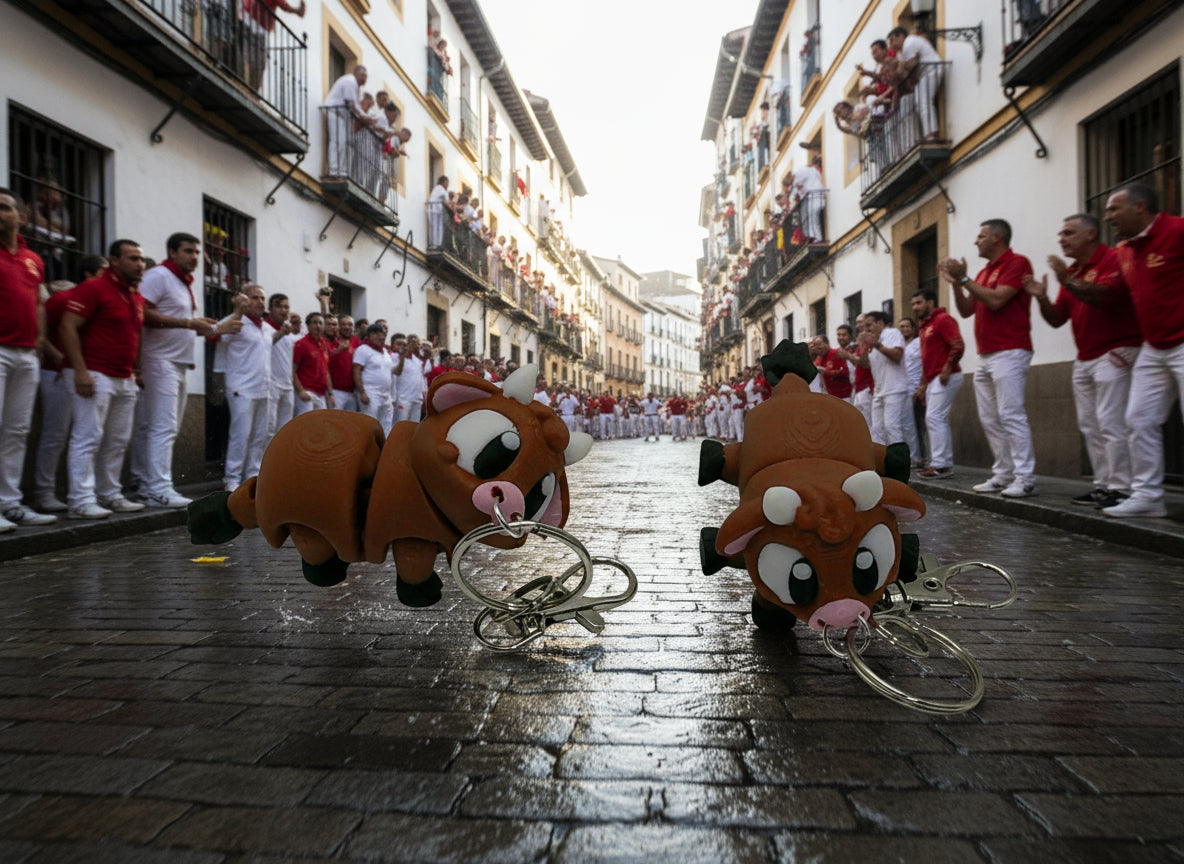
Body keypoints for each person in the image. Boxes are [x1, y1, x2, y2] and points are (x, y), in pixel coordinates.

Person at [1024, 213, 1142, 509]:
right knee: (1090, 424)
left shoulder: (1112, 259)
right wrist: (1041, 298)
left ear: (1090, 235)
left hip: (1115, 350)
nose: (1061, 239)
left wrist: (1067, 280)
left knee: (1112, 422)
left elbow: (1107, 297)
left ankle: (1122, 487)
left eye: (1069, 233)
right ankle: (1104, 484)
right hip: (1085, 356)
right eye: (1061, 234)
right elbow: (1057, 319)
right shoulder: (1073, 271)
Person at [1100, 183, 1184, 518]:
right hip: (1153, 346)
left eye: (1114, 209)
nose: (1108, 217)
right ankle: (1148, 495)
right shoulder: (1124, 250)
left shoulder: (1178, 231)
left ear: (1139, 207)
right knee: (1138, 419)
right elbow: (1116, 297)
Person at [940, 218, 1036, 497]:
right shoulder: (983, 273)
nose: (976, 241)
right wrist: (957, 285)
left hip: (1011, 350)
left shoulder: (1017, 263)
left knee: (1011, 414)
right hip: (986, 354)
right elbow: (968, 309)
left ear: (997, 238)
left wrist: (964, 279)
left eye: (981, 236)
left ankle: (1025, 478)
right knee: (990, 418)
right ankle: (1003, 474)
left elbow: (996, 300)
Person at [58, 240, 148, 519]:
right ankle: (80, 500)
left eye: (141, 259)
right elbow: (67, 326)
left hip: (123, 376)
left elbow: (136, 334)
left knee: (118, 439)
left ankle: (109, 494)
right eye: (132, 258)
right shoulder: (93, 288)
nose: (140, 264)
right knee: (88, 436)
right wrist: (80, 370)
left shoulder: (136, 296)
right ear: (114, 261)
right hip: (94, 372)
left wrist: (136, 369)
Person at [130, 232, 218, 509]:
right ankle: (159, 487)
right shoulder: (159, 276)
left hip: (176, 362)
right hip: (159, 361)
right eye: (188, 251)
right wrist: (188, 324)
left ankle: (147, 484)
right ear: (172, 252)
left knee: (159, 427)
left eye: (196, 252)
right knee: (162, 427)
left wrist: (195, 323)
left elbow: (175, 318)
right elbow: (143, 313)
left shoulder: (181, 282)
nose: (194, 257)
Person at [0, 188, 56, 529]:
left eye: (5, 207)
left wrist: (38, 339)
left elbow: (38, 302)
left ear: (21, 216)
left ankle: (10, 503)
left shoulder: (33, 259)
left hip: (25, 353)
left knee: (17, 431)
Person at [218, 285, 271, 492]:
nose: (260, 302)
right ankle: (231, 478)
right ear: (243, 300)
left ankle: (252, 475)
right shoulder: (236, 321)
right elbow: (219, 334)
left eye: (262, 298)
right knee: (240, 435)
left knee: (259, 436)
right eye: (255, 298)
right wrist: (237, 312)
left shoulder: (266, 328)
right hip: (242, 389)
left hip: (264, 388)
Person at [911, 289, 964, 480]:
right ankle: (942, 463)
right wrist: (923, 384)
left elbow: (957, 344)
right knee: (936, 418)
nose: (915, 307)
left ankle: (941, 465)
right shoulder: (924, 326)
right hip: (933, 378)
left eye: (918, 302)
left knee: (934, 417)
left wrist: (947, 369)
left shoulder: (943, 319)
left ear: (930, 302)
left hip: (946, 376)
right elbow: (927, 359)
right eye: (913, 304)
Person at [887, 26, 943, 144]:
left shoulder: (909, 42)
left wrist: (903, 65)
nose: (892, 44)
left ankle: (931, 133)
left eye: (893, 40)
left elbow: (910, 65)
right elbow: (904, 71)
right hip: (924, 75)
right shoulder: (901, 52)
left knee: (924, 102)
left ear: (901, 36)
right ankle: (929, 132)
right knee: (920, 103)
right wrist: (903, 66)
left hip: (931, 70)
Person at [860, 311, 909, 446]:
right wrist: (863, 349)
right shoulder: (872, 342)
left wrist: (876, 345)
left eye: (869, 325)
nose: (866, 330)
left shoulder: (892, 333)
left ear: (880, 323)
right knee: (877, 429)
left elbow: (897, 355)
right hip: (879, 390)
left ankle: (899, 464)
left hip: (895, 388)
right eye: (864, 327)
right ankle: (882, 462)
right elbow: (864, 364)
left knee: (891, 427)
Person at [324, 65, 373, 176]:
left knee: (342, 143)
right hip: (334, 111)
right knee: (336, 142)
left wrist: (364, 116)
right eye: (362, 75)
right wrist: (363, 116)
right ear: (355, 74)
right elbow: (351, 103)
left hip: (341, 116)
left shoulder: (355, 86)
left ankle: (340, 170)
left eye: (366, 76)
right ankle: (333, 169)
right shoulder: (350, 82)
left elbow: (355, 105)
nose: (364, 79)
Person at [264, 293, 299, 438]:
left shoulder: (289, 333)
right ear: (270, 309)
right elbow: (266, 344)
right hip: (271, 385)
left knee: (284, 431)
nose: (283, 310)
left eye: (286, 307)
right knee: (269, 429)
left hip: (287, 386)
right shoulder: (265, 327)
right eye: (279, 306)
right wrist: (280, 333)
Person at [352, 323, 395, 433]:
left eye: (382, 334)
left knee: (386, 423)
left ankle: (384, 448)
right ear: (369, 336)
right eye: (376, 334)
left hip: (386, 395)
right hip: (371, 393)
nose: (380, 337)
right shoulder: (363, 350)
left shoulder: (385, 352)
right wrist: (362, 392)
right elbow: (356, 370)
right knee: (370, 424)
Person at [898, 316, 926, 467]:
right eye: (901, 327)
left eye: (907, 326)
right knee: (906, 424)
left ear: (913, 329)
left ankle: (918, 457)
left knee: (917, 424)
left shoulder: (918, 343)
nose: (905, 329)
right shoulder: (898, 345)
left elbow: (924, 362)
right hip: (902, 388)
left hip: (917, 387)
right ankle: (913, 456)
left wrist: (922, 385)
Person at [292, 311, 331, 414]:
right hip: (306, 392)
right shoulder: (301, 344)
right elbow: (292, 370)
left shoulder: (324, 344)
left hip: (321, 394)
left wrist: (330, 394)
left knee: (321, 426)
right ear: (308, 326)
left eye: (320, 323)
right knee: (306, 427)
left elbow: (325, 370)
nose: (318, 326)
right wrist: (300, 391)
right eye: (314, 322)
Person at [392, 333, 428, 422]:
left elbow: (421, 378)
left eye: (416, 343)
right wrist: (402, 358)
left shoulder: (417, 361)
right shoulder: (394, 357)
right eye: (410, 343)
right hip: (403, 399)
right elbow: (395, 373)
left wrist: (422, 395)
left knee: (413, 428)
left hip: (417, 399)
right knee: (401, 426)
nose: (413, 345)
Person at [328, 314, 358, 411]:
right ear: (339, 327)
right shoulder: (332, 341)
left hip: (352, 392)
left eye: (350, 325)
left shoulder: (356, 342)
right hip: (336, 391)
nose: (347, 327)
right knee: (334, 423)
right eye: (343, 324)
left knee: (349, 424)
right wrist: (338, 350)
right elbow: (324, 362)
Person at [428, 176, 449, 248]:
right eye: (446, 183)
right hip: (436, 210)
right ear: (443, 182)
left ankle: (434, 243)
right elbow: (446, 200)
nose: (447, 185)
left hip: (433, 209)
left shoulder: (436, 188)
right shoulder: (440, 188)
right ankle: (437, 244)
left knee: (434, 227)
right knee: (438, 228)